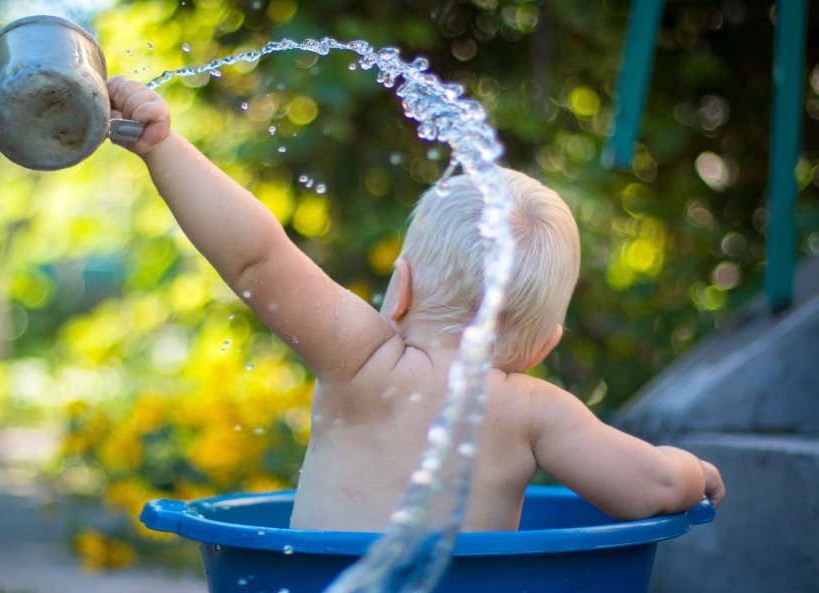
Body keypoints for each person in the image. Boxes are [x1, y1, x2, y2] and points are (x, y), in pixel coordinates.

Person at [107, 77, 726, 533]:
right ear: (544, 346)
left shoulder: (362, 361)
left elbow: (257, 258)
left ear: (398, 289)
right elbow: (654, 488)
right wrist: (694, 471)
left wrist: (163, 145)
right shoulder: (535, 412)